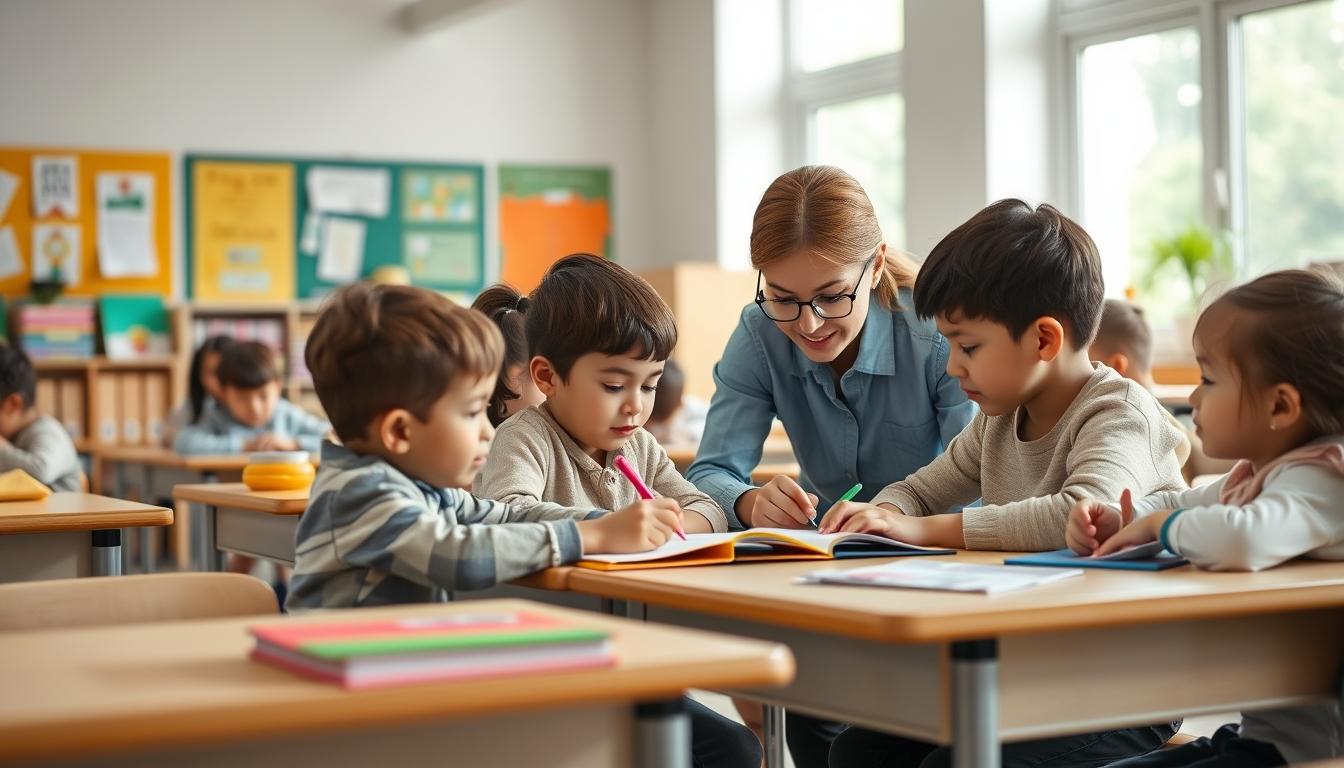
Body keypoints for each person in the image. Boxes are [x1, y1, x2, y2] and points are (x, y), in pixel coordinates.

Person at [823, 199, 1186, 767]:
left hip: (1128, 683)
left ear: (1044, 340)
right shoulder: (996, 419)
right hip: (1037, 674)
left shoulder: (1118, 413)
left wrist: (918, 528)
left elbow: (1075, 513)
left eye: (968, 347)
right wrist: (878, 516)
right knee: (858, 750)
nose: (952, 368)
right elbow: (918, 490)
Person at [686, 165, 976, 767]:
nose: (809, 324)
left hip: (942, 579)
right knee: (808, 704)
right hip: (829, 583)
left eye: (831, 296)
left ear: (875, 266)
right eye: (784, 299)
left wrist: (897, 513)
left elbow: (981, 484)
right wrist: (746, 502)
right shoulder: (758, 332)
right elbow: (710, 470)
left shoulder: (938, 330)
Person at [1069, 269, 1344, 767]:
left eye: (1208, 379)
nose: (1193, 398)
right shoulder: (1264, 473)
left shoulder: (1325, 480)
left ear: (1281, 405)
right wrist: (1122, 517)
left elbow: (1244, 540)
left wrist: (1157, 530)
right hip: (1257, 739)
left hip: (1304, 757)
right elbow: (1184, 504)